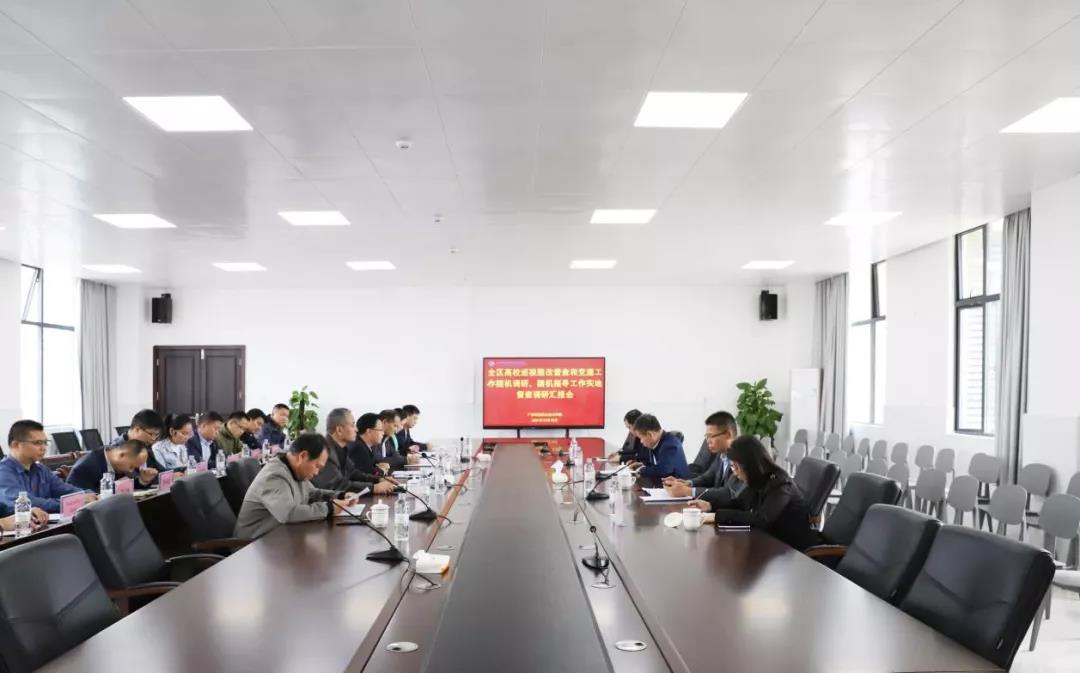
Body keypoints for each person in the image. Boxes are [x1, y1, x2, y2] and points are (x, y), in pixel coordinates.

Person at [697, 436, 819, 551]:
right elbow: (739, 503)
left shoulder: (781, 485)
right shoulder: (759, 479)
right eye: (732, 467)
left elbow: (761, 520)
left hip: (793, 551)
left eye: (736, 467)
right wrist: (709, 506)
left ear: (749, 465)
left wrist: (716, 516)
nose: (735, 473)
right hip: (772, 544)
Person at [234, 433, 360, 540]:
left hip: (279, 537)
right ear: (302, 456)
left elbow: (313, 493)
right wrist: (330, 508)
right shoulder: (274, 476)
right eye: (317, 466)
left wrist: (341, 496)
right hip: (252, 546)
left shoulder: (294, 470)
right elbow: (289, 513)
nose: (317, 472)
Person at [0, 420, 93, 513]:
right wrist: (74, 502)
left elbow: (65, 489)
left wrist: (89, 495)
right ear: (15, 445)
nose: (43, 448)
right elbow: (26, 504)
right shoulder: (3, 473)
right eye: (37, 443)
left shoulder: (41, 469)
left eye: (45, 443)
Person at [663, 411, 743, 509]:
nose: (708, 441)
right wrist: (687, 483)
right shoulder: (721, 454)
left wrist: (687, 491)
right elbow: (708, 477)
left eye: (711, 436)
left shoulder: (742, 458)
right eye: (706, 436)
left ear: (728, 435)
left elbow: (728, 493)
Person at [315, 408, 394, 496]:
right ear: (339, 430)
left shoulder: (342, 448)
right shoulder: (324, 452)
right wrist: (373, 488)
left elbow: (354, 473)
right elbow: (338, 485)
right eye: (353, 425)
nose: (356, 429)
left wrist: (379, 479)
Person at [67, 439, 159, 493]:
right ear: (121, 455)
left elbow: (125, 487)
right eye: (131, 466)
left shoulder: (117, 462)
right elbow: (85, 498)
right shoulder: (86, 468)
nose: (131, 471)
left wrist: (143, 480)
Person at [628, 414, 689, 482]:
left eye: (641, 438)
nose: (641, 441)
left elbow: (663, 470)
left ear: (650, 434)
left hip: (677, 485)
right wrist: (643, 465)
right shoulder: (657, 442)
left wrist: (640, 470)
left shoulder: (670, 445)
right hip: (662, 483)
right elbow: (657, 464)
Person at [349, 412, 393, 482]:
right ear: (369, 431)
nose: (383, 433)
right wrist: (381, 471)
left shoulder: (368, 445)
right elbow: (367, 474)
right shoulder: (358, 448)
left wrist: (380, 466)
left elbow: (373, 466)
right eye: (381, 430)